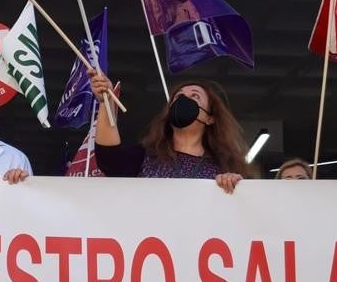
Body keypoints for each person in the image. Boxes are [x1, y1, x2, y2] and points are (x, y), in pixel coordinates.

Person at [89, 72, 247, 193]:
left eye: (195, 96)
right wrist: (106, 101)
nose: (184, 100)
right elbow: (109, 159)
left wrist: (236, 185)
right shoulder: (146, 156)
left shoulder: (224, 164)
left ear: (210, 118)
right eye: (178, 96)